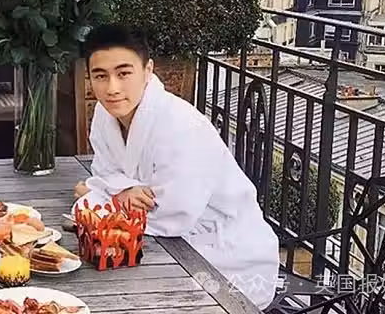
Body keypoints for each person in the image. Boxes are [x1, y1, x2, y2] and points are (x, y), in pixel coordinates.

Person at [73, 24, 279, 308]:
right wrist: (123, 190)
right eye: (100, 76)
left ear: (148, 70)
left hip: (227, 256)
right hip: (156, 244)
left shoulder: (180, 125)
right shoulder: (104, 114)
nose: (112, 88)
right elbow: (104, 171)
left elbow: (172, 213)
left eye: (123, 73)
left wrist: (104, 195)